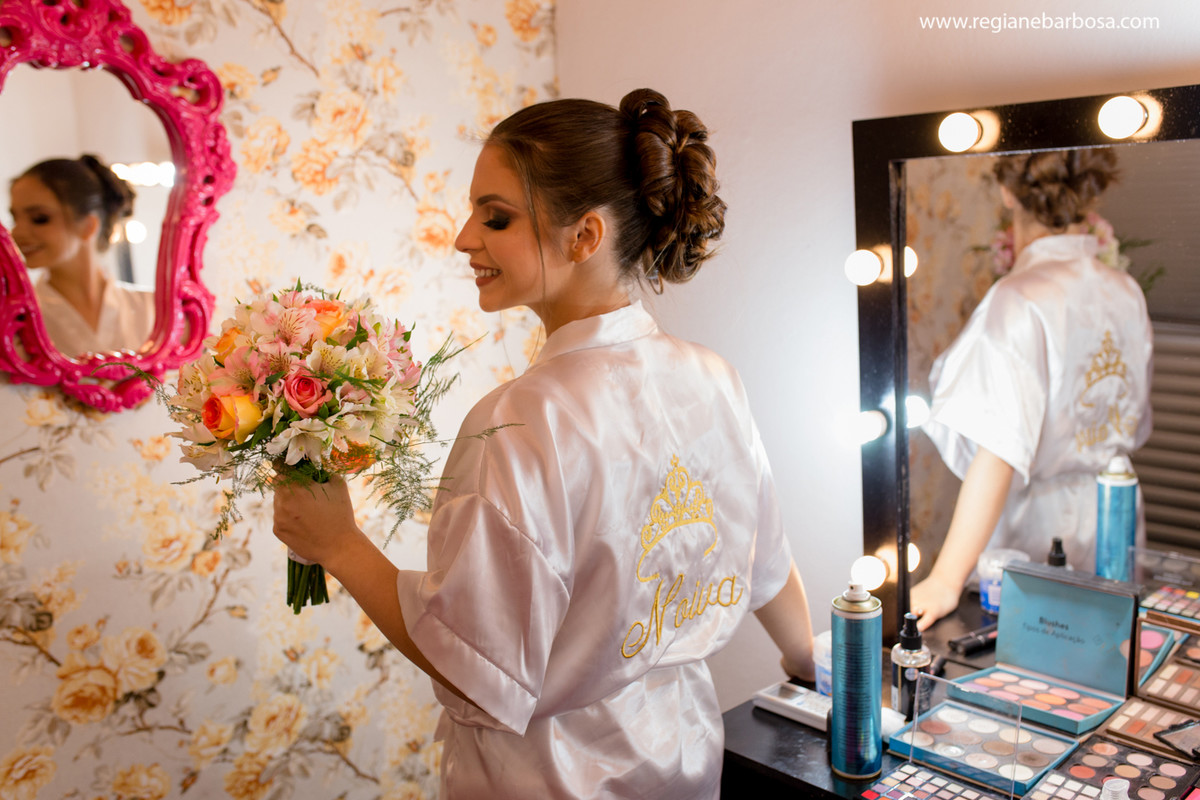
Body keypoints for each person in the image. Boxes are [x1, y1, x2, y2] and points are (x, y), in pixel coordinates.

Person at [272, 88, 815, 798]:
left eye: (495, 217)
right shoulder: (712, 377)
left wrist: (340, 546)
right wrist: (819, 668)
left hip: (551, 778)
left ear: (584, 236)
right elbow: (767, 566)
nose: (464, 237)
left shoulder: (522, 420)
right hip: (683, 758)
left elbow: (475, 662)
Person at [910, 148, 1153, 630]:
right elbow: (1135, 419)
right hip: (1114, 520)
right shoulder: (1125, 288)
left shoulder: (1018, 299)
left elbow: (998, 450)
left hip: (1036, 531)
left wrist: (945, 579)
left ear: (1006, 190)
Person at [8, 154, 153, 356]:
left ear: (88, 225)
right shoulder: (16, 322)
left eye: (39, 219)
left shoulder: (153, 309)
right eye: (15, 218)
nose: (16, 233)